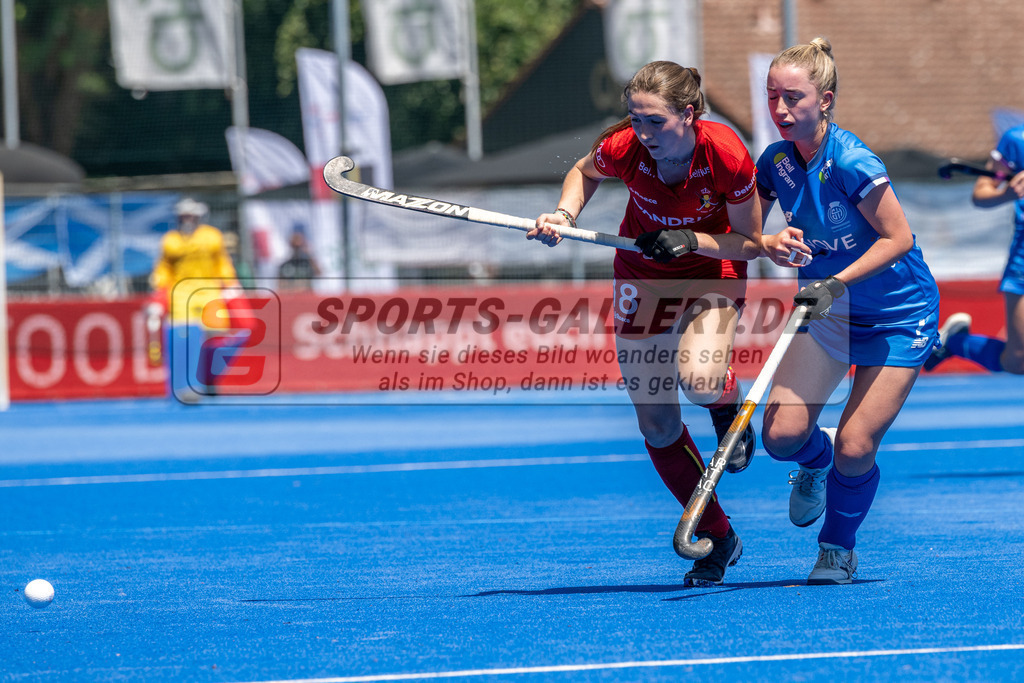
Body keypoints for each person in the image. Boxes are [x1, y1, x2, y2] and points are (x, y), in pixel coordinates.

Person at [528, 61, 763, 586]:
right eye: (635, 120)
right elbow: (584, 172)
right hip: (642, 275)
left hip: (711, 270)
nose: (643, 133)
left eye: (655, 122)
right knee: (656, 424)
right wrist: (563, 216)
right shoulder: (623, 147)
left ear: (689, 114)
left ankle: (727, 406)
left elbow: (751, 244)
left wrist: (690, 240)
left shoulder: (725, 154)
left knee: (700, 378)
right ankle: (718, 536)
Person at [755, 38, 941, 584]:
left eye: (793, 97)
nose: (780, 109)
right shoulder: (775, 162)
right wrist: (769, 242)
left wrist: (833, 283)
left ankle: (837, 547)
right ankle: (816, 463)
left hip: (896, 314)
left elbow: (898, 238)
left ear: (825, 100)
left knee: (856, 447)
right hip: (829, 311)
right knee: (781, 438)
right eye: (772, 96)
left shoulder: (853, 161)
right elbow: (747, 231)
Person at [925, 128, 1024, 375]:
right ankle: (955, 342)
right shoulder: (1017, 140)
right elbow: (981, 193)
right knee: (1018, 360)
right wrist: (1008, 194)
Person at [149, 197, 241, 402]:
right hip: (181, 293)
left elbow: (222, 262)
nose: (188, 219)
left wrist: (230, 283)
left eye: (191, 216)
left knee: (216, 337)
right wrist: (158, 291)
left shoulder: (212, 236)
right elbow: (164, 269)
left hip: (209, 290)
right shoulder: (171, 240)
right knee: (183, 336)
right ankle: (186, 384)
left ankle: (209, 377)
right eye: (184, 216)